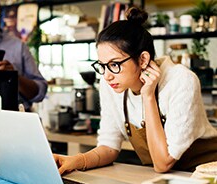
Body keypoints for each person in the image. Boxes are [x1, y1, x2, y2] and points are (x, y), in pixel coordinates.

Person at [54, 7, 217, 173]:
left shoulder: (181, 81)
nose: (107, 76)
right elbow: (109, 147)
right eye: (102, 66)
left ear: (143, 59)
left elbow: (162, 163)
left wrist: (148, 97)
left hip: (207, 177)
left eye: (114, 64)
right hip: (164, 178)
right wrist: (75, 161)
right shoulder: (112, 84)